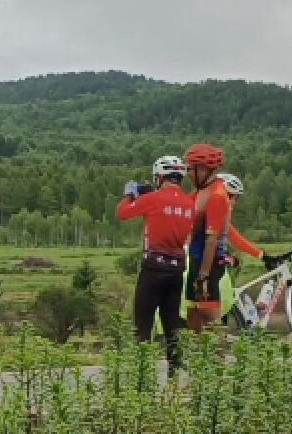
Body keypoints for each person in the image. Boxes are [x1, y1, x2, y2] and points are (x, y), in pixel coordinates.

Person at [115, 155, 195, 372]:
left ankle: (141, 374)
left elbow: (122, 213)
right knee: (171, 323)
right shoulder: (190, 203)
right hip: (177, 268)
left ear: (160, 177)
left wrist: (130, 193)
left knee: (143, 322)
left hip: (153, 268)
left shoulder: (153, 199)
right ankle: (175, 373)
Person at [183, 144, 273, 332]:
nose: (188, 173)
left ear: (205, 170)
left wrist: (203, 277)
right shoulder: (200, 192)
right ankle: (199, 358)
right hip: (195, 262)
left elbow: (214, 240)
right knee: (195, 318)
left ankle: (219, 358)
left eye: (192, 169)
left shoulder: (216, 197)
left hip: (206, 266)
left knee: (209, 321)